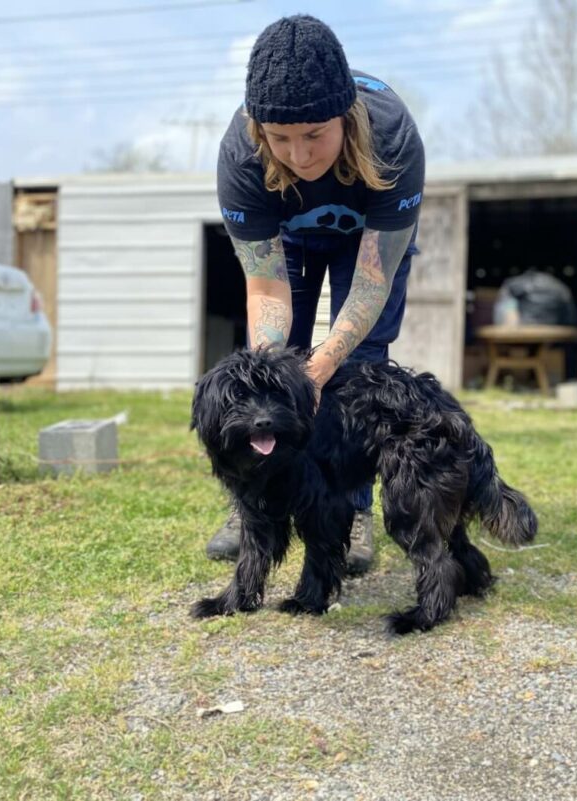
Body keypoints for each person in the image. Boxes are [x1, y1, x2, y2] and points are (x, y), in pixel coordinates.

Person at [206, 14, 426, 575]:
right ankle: (258, 504)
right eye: (279, 139)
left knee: (360, 366)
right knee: (277, 370)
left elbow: (372, 282)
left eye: (314, 136)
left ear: (346, 118)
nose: (299, 156)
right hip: (288, 248)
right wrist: (277, 375)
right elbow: (265, 284)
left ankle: (351, 509)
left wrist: (321, 369)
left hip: (367, 246)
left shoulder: (393, 136)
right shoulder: (241, 156)